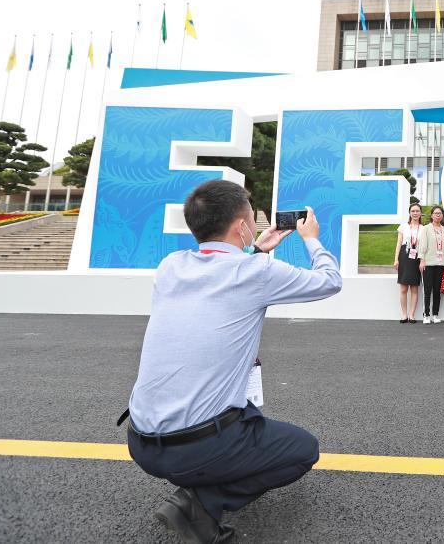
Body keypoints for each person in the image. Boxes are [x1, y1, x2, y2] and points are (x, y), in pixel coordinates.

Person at [125, 179, 341, 543]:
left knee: (247, 415)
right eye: (250, 221)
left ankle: (199, 488)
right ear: (241, 226)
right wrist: (310, 238)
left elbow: (222, 276)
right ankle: (203, 502)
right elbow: (329, 280)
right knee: (304, 450)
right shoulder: (256, 272)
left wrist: (256, 248)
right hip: (197, 447)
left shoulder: (171, 267)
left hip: (140, 442)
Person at [418, 206, 444, 324]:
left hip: (440, 264)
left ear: (442, 216)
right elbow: (422, 245)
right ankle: (426, 315)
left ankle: (435, 314)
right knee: (427, 290)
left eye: (440, 213)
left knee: (437, 290)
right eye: (435, 213)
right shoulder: (426, 229)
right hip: (428, 263)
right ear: (431, 215)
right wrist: (422, 260)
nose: (438, 215)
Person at [393, 203, 422, 323]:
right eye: (413, 211)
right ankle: (404, 314)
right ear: (410, 213)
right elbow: (399, 243)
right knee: (403, 288)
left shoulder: (423, 228)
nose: (415, 213)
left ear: (420, 213)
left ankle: (412, 314)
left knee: (414, 288)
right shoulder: (403, 226)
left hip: (417, 258)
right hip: (404, 256)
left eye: (417, 211)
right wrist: (396, 259)